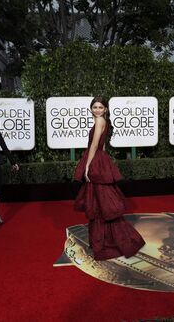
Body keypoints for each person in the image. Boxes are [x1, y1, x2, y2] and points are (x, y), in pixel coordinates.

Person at [73, 97, 146, 260]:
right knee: (100, 204)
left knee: (101, 204)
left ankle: (108, 241)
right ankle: (105, 240)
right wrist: (103, 162)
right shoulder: (103, 121)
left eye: (100, 107)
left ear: (105, 109)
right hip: (100, 160)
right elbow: (103, 146)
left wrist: (88, 165)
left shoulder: (99, 120)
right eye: (95, 107)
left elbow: (94, 145)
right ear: (91, 108)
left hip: (95, 161)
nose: (97, 109)